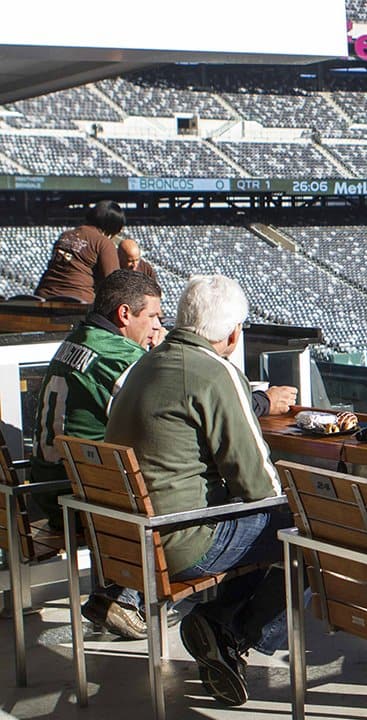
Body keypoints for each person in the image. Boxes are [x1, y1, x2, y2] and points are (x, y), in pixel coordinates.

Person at [105, 274, 291, 706]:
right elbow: (260, 486)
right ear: (232, 332)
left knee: (261, 522)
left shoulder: (142, 363)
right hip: (178, 541)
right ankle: (231, 631)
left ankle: (220, 622)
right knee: (307, 529)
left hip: (127, 539)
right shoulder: (215, 373)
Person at [30, 269, 163, 638]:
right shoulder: (117, 354)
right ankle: (121, 596)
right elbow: (175, 398)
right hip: (79, 502)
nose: (157, 326)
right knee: (173, 481)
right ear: (124, 315)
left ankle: (115, 592)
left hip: (45, 489)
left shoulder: (77, 339)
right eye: (152, 316)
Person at [34, 200, 125, 302]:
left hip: (43, 297)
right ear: (112, 227)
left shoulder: (65, 235)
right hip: (77, 301)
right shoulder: (103, 243)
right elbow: (113, 283)